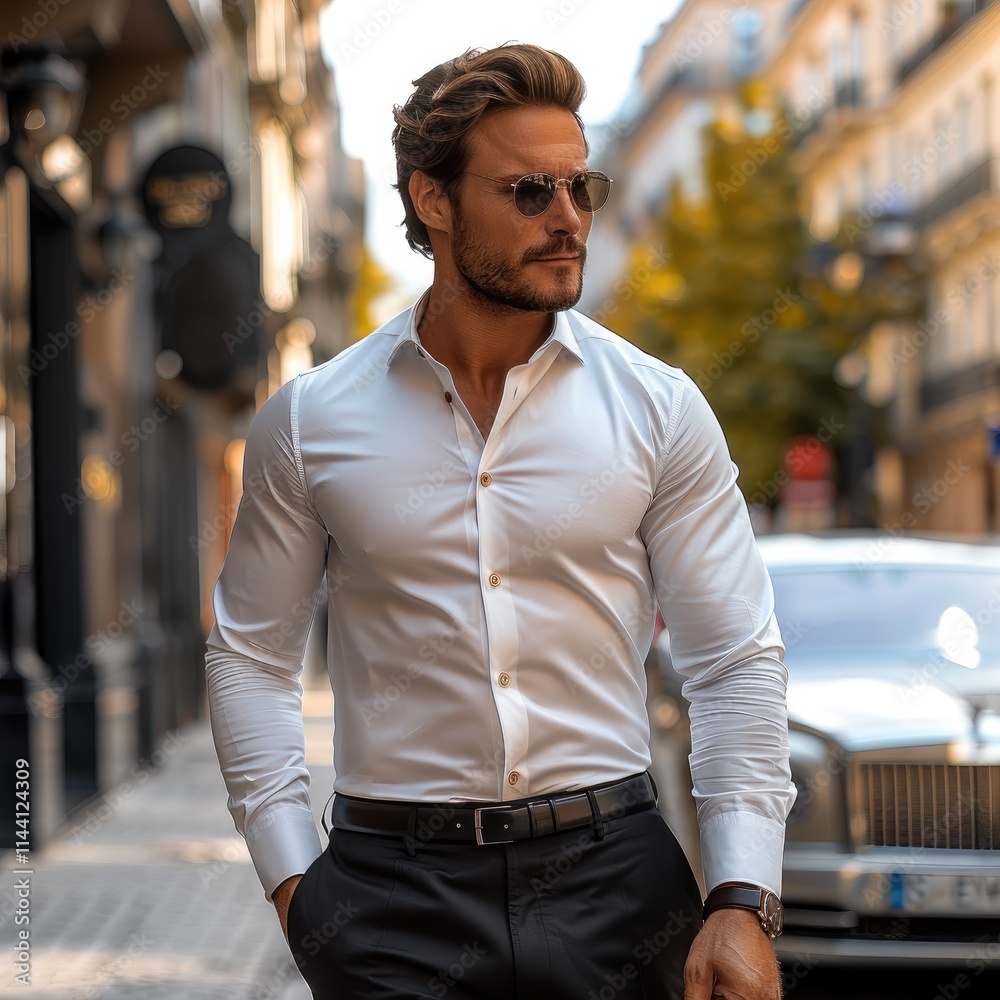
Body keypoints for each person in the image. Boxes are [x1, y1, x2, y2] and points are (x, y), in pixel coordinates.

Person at [206, 43, 794, 1000]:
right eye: (529, 192)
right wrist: (292, 885)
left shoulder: (659, 407)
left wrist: (741, 895)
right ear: (432, 200)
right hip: (390, 897)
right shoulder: (312, 420)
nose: (568, 221)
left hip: (616, 880)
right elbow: (251, 658)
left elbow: (732, 659)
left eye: (582, 187)